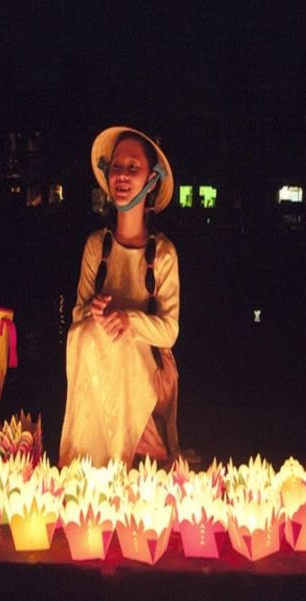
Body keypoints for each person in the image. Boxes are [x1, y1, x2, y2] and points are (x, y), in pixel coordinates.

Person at [59, 126, 195, 468]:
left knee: (116, 339)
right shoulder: (96, 246)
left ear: (151, 180)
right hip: (99, 367)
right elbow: (77, 316)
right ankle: (83, 462)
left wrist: (128, 319)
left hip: (145, 377)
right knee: (85, 333)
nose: (121, 175)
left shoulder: (162, 254)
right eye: (116, 167)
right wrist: (95, 310)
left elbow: (170, 331)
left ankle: (134, 452)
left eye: (132, 168)